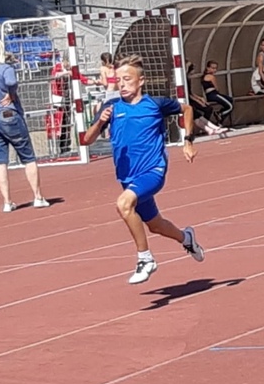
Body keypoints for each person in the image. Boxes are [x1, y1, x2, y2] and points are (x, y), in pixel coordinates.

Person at [81, 55, 204, 284]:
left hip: (153, 171)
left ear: (141, 81)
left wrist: (188, 141)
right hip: (128, 176)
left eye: (127, 79)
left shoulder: (155, 105)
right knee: (155, 225)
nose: (123, 84)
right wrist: (100, 122)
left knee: (123, 204)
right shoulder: (112, 107)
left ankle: (145, 258)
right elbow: (86, 140)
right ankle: (186, 237)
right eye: (119, 80)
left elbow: (186, 109)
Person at [0, 37, 50, 213]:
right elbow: (11, 82)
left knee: (0, 161)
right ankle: (38, 196)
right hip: (8, 114)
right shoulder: (6, 69)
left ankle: (7, 201)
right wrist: (11, 94)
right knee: (28, 157)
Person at [185, 64, 228, 137]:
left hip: (191, 99)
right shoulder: (184, 79)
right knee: (197, 114)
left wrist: (200, 98)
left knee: (200, 114)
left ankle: (212, 128)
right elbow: (188, 95)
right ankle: (211, 129)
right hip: (188, 100)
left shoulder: (188, 79)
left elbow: (190, 92)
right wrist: (198, 101)